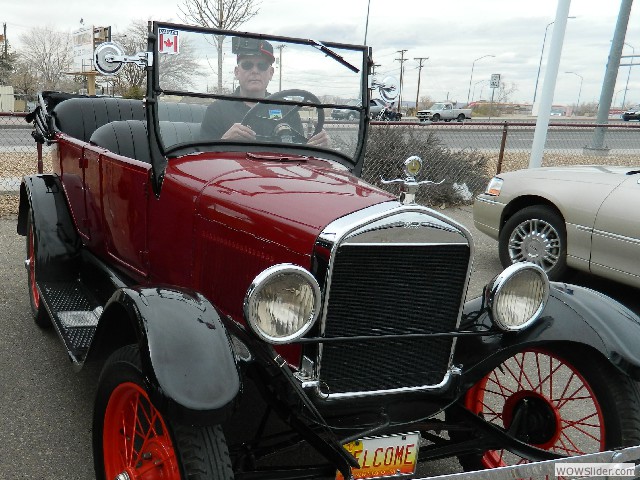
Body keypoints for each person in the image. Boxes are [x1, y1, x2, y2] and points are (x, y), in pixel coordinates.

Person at [201, 38, 329, 147]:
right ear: (236, 72)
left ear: (271, 73)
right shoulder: (217, 110)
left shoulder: (288, 110)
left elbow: (298, 156)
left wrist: (317, 146)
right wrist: (224, 142)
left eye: (262, 66)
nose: (255, 71)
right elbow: (202, 160)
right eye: (247, 65)